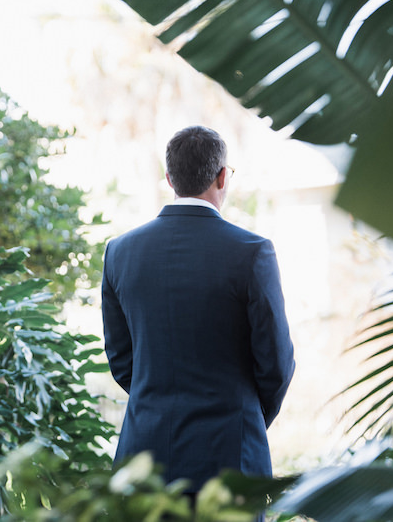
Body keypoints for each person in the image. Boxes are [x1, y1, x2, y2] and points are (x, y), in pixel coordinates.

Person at [101, 125, 295, 504]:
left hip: (143, 461)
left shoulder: (119, 253)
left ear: (170, 177)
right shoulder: (252, 252)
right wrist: (246, 418)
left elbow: (122, 361)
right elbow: (275, 364)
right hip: (231, 461)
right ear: (223, 177)